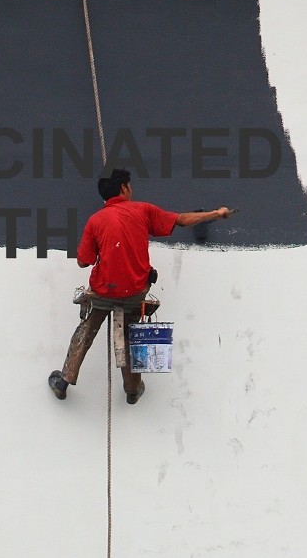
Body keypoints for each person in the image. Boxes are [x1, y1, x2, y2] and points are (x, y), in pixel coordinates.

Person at [49, 168, 232, 404]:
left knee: (86, 332)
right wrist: (216, 213)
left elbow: (83, 261)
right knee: (130, 339)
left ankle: (64, 382)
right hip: (134, 293)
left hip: (104, 291)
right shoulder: (143, 211)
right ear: (124, 188)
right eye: (130, 186)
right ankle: (133, 390)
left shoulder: (95, 220)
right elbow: (182, 220)